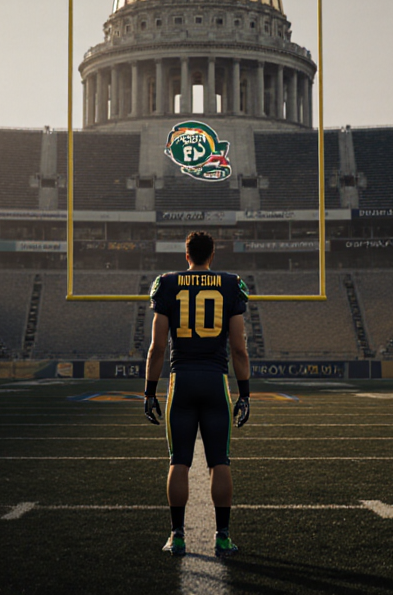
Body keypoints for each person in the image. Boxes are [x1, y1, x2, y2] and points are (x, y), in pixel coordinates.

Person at [143, 230, 251, 558]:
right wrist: (245, 394)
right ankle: (222, 538)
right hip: (216, 381)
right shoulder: (230, 283)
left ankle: (177, 536)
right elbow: (238, 348)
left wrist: (149, 392)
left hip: (182, 381)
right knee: (220, 462)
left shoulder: (168, 283)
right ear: (212, 256)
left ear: (186, 255)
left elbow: (157, 346)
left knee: (179, 462)